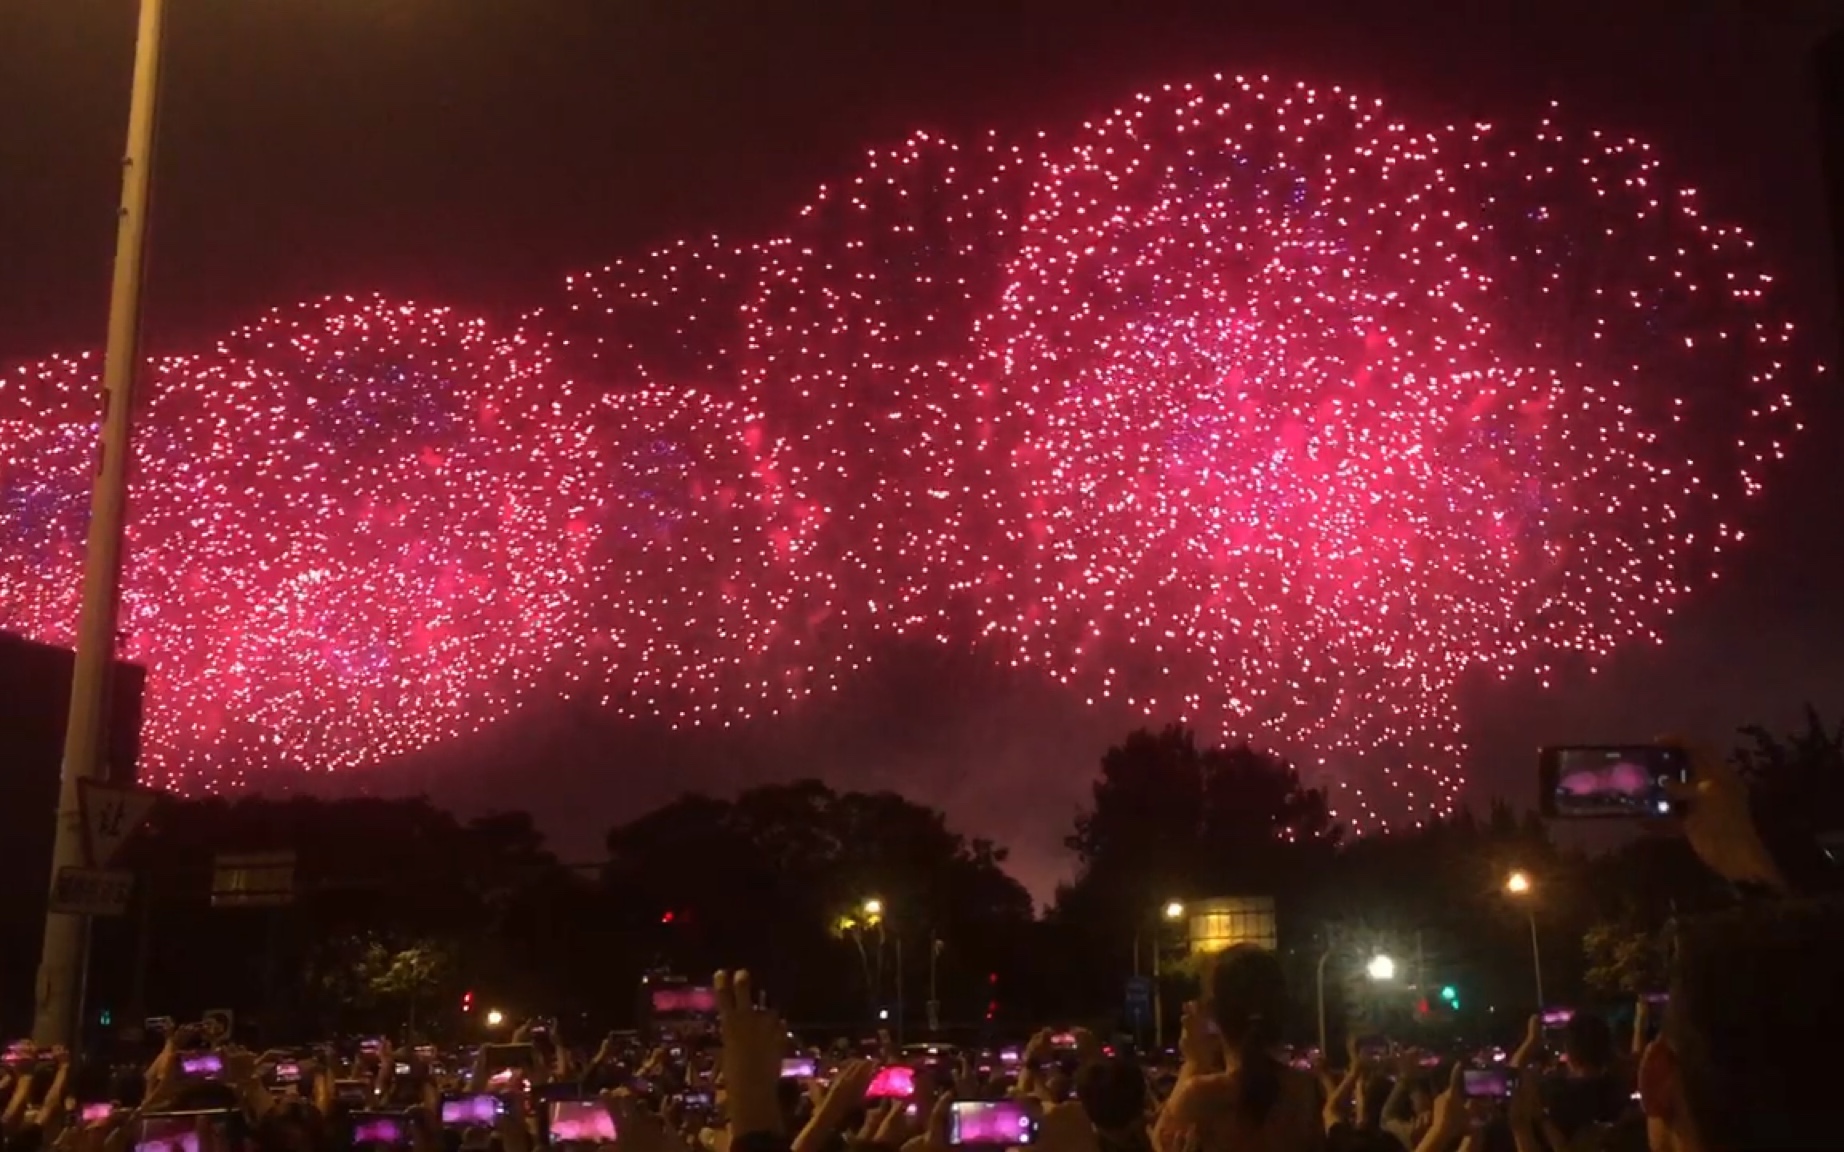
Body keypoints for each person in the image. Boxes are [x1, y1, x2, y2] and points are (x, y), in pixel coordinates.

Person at [1154, 944, 1326, 1152]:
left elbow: (1160, 1142)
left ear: (1213, 1013)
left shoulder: (1201, 1097)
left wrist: (1194, 1061)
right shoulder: (1305, 1089)